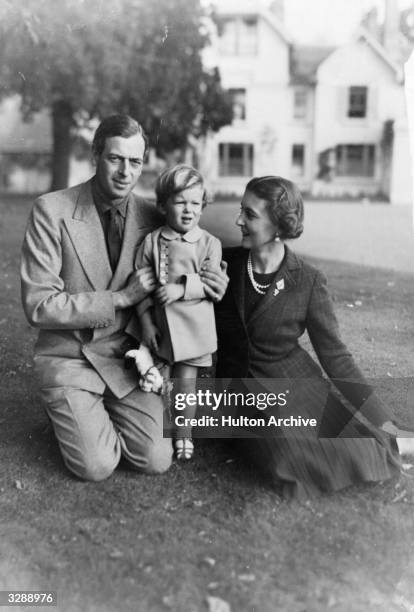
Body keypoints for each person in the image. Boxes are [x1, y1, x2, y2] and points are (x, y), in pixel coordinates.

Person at [214, 175, 414, 499]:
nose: (238, 220)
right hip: (242, 387)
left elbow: (336, 356)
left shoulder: (308, 280)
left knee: (360, 443)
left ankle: (385, 445)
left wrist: (386, 421)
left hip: (295, 379)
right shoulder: (223, 262)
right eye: (241, 210)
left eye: (249, 215)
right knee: (285, 450)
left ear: (278, 224)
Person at [20, 114, 175, 481]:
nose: (125, 171)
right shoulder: (51, 211)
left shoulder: (152, 217)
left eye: (135, 161)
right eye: (115, 158)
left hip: (126, 362)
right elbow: (38, 304)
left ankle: (87, 416)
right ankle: (71, 408)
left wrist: (214, 273)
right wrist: (120, 298)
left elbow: (188, 259)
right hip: (71, 357)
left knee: (156, 459)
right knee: (97, 465)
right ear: (95, 155)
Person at [135, 164, 222, 461]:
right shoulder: (152, 241)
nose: (188, 210)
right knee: (160, 384)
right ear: (162, 205)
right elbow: (140, 288)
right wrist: (146, 323)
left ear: (203, 206)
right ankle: (158, 429)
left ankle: (184, 435)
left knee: (186, 386)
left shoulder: (210, 243)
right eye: (180, 202)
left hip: (194, 329)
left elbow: (212, 283)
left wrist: (180, 289)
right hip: (162, 329)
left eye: (195, 203)